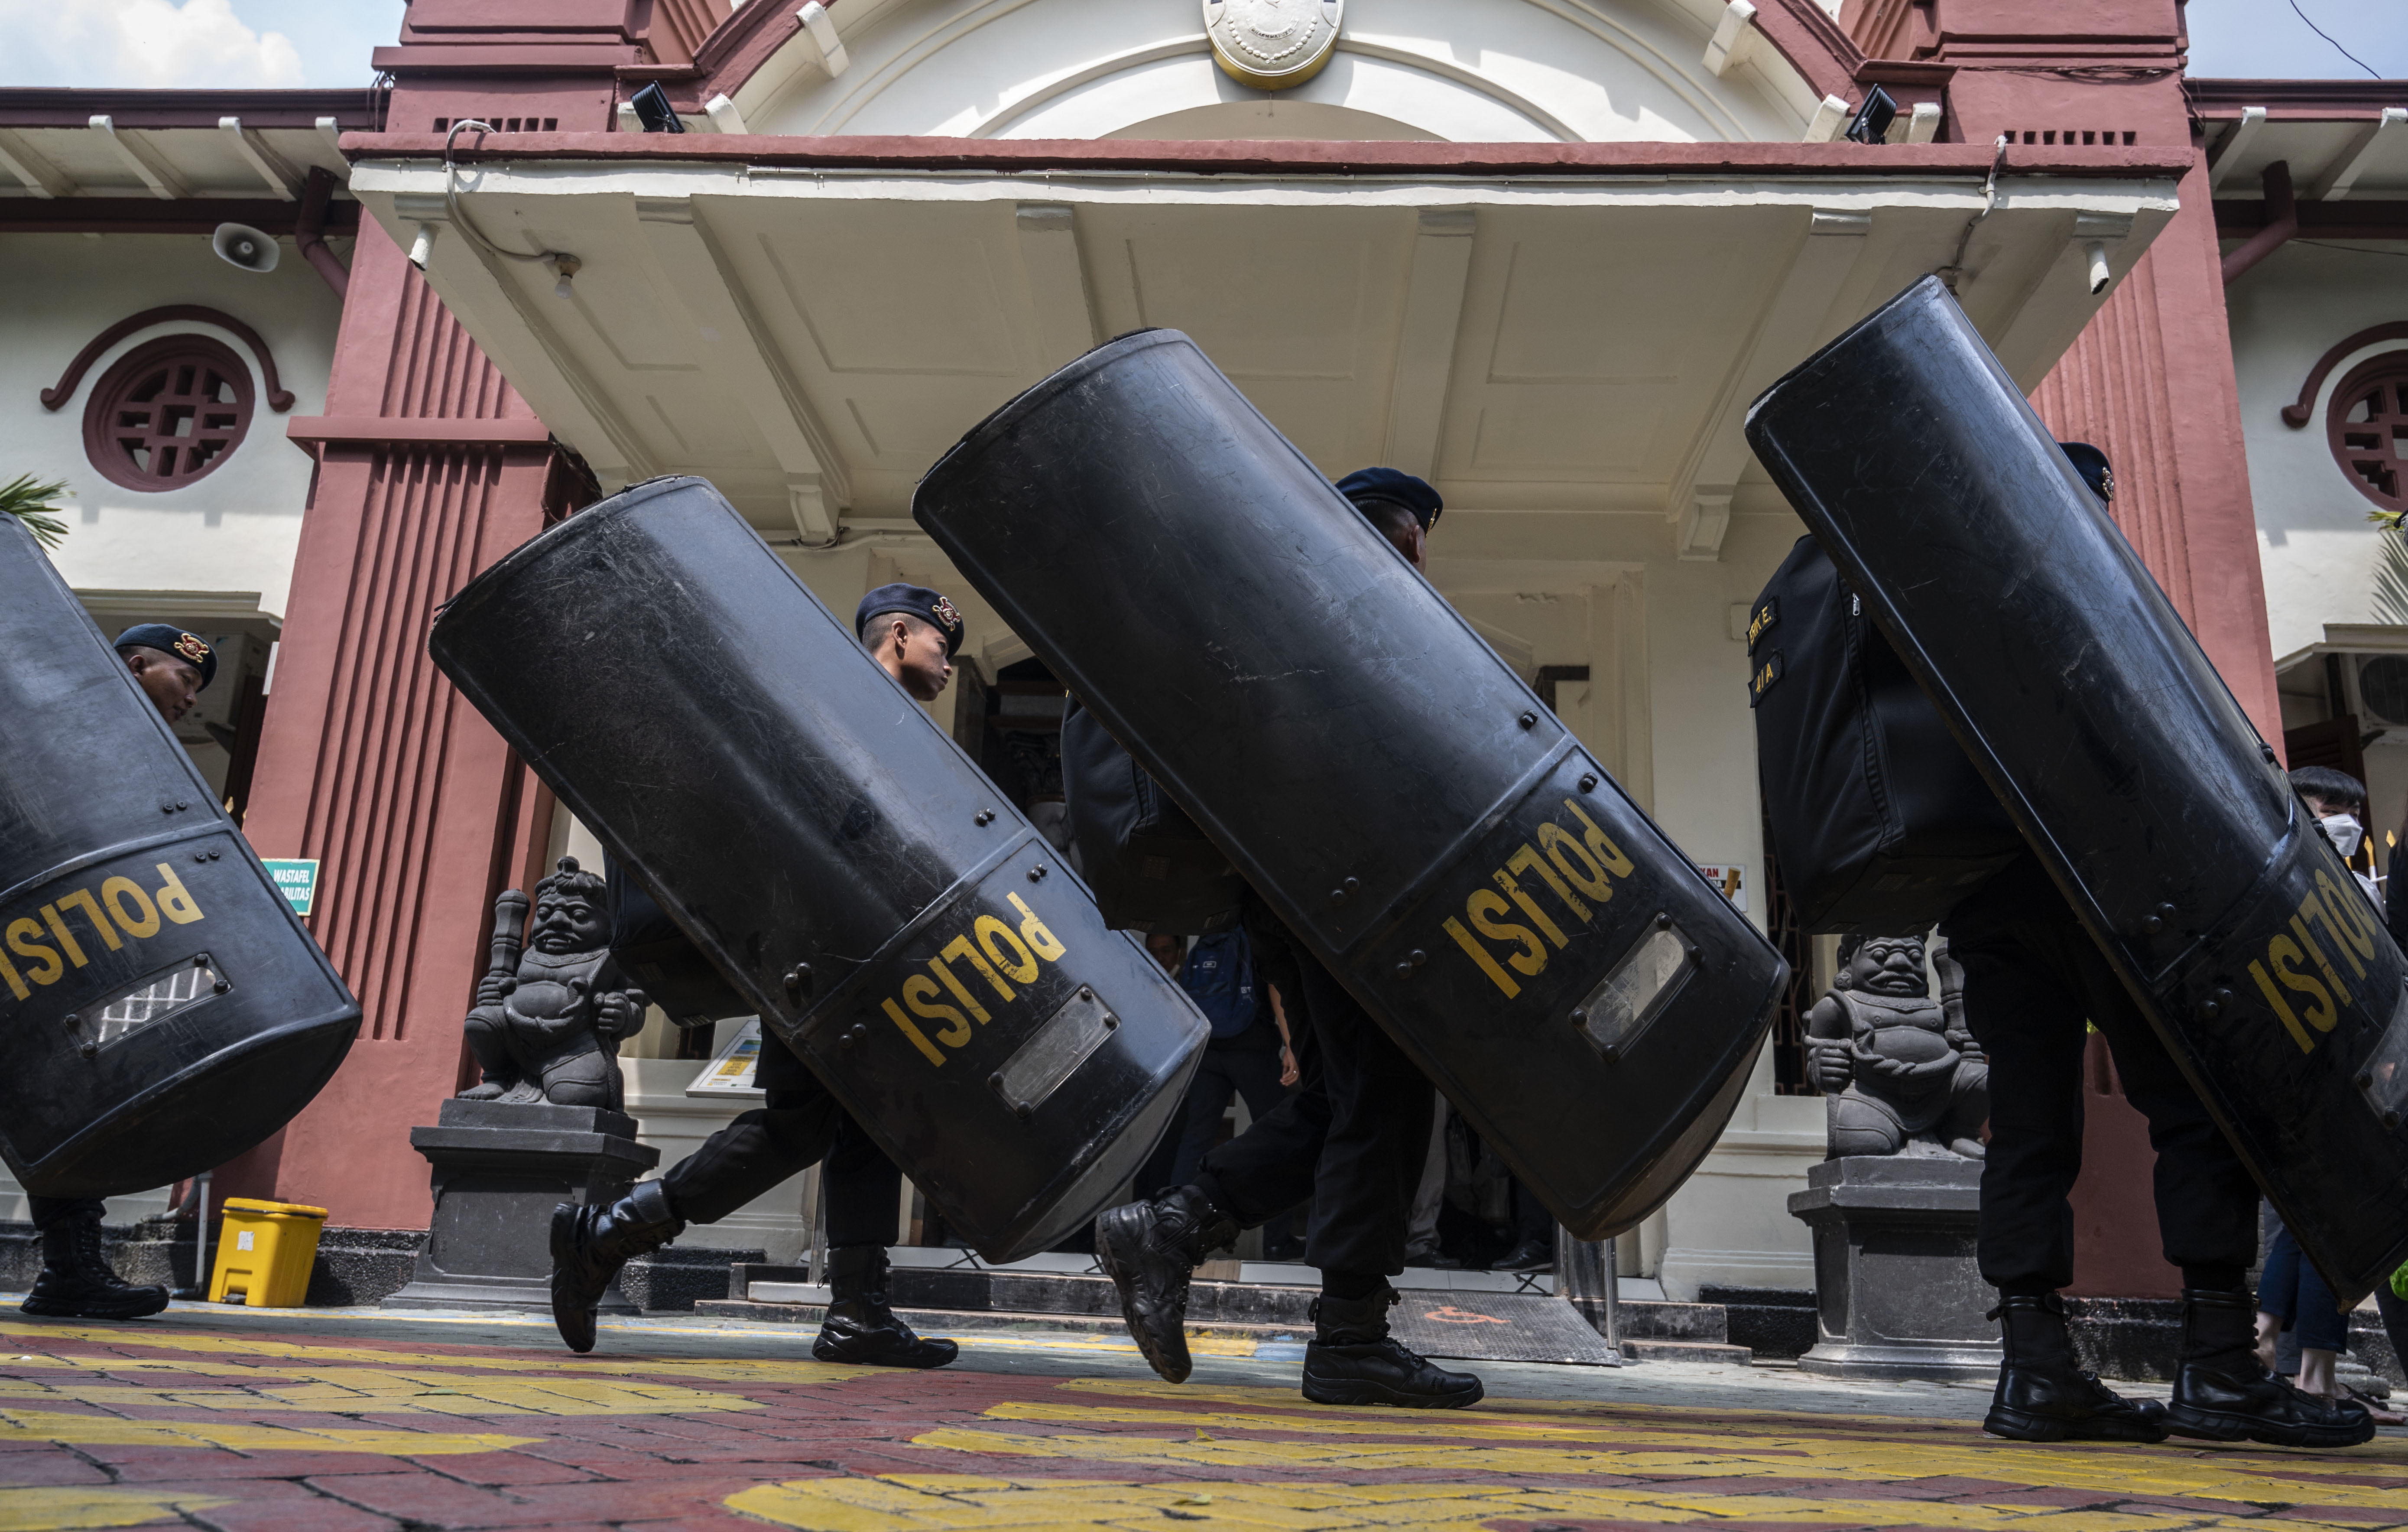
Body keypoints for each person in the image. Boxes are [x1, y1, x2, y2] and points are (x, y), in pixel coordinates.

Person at [1945, 449, 2371, 1449]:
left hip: (1991, 905)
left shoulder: (1956, 597)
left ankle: (2034, 1368)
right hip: (2105, 886)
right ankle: (2219, 1365)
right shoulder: (2070, 584)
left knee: (2029, 1125)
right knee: (2199, 1109)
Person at [1094, 467, 1484, 1410]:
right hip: (1342, 894)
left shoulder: (1272, 615)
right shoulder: (1351, 621)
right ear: (1385, 542)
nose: (1418, 569)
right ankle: (1350, 1336)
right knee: (1386, 1095)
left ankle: (1173, 1225)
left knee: (1343, 1101)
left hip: (1285, 896)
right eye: (1411, 548)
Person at [545, 584, 970, 1367]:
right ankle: (614, 1234)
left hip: (841, 954)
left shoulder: (868, 713)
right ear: (901, 635)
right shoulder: (841, 706)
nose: (951, 664)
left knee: (863, 1120)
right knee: (808, 1123)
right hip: (818, 955)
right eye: (943, 646)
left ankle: (855, 1309)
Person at [22, 623, 215, 1321]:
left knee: (66, 1105)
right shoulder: (52, 716)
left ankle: (71, 1271)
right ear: (138, 664)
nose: (191, 699)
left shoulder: (140, 752)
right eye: (185, 680)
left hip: (68, 950)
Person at [2290, 765, 2382, 915]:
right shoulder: (2283, 880)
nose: (2349, 823)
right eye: (2333, 812)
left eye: (2354, 814)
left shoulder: (2364, 889)